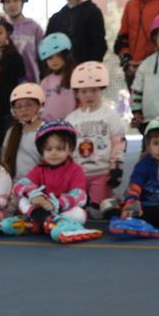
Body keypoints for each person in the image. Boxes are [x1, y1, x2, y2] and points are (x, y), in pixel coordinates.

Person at [0, 120, 101, 243]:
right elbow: (19, 186)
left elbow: (80, 195)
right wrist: (34, 195)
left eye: (60, 148)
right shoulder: (39, 168)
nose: (54, 153)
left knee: (79, 215)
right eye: (48, 149)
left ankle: (36, 221)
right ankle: (51, 222)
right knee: (23, 201)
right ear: (42, 151)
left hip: (61, 208)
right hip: (41, 206)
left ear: (70, 149)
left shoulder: (75, 169)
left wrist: (56, 204)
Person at [65, 61, 126, 215]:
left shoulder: (110, 116)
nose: (89, 95)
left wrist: (116, 168)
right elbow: (66, 148)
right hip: (78, 174)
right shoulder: (71, 119)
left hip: (102, 172)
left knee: (98, 211)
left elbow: (118, 143)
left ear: (101, 90)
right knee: (76, 210)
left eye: (94, 90)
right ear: (77, 93)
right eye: (84, 91)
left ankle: (112, 201)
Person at [45, 0, 106, 65]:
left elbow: (99, 44)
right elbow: (48, 47)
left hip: (86, 71)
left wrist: (91, 68)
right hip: (62, 72)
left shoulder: (92, 12)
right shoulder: (55, 19)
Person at [0, 0, 43, 83]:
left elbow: (43, 58)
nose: (11, 4)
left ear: (22, 2)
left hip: (32, 82)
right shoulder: (1, 29)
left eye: (15, 0)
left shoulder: (34, 27)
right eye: (8, 1)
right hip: (7, 83)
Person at [1, 83, 45, 180]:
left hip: (39, 185)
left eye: (29, 105)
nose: (24, 109)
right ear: (14, 111)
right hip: (14, 185)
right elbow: (4, 159)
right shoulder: (12, 131)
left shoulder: (46, 131)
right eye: (19, 106)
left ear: (40, 106)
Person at [38, 33, 77, 122]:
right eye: (50, 58)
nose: (54, 60)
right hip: (49, 125)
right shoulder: (45, 82)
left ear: (66, 55)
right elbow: (40, 105)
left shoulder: (74, 77)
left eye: (59, 56)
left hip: (71, 123)